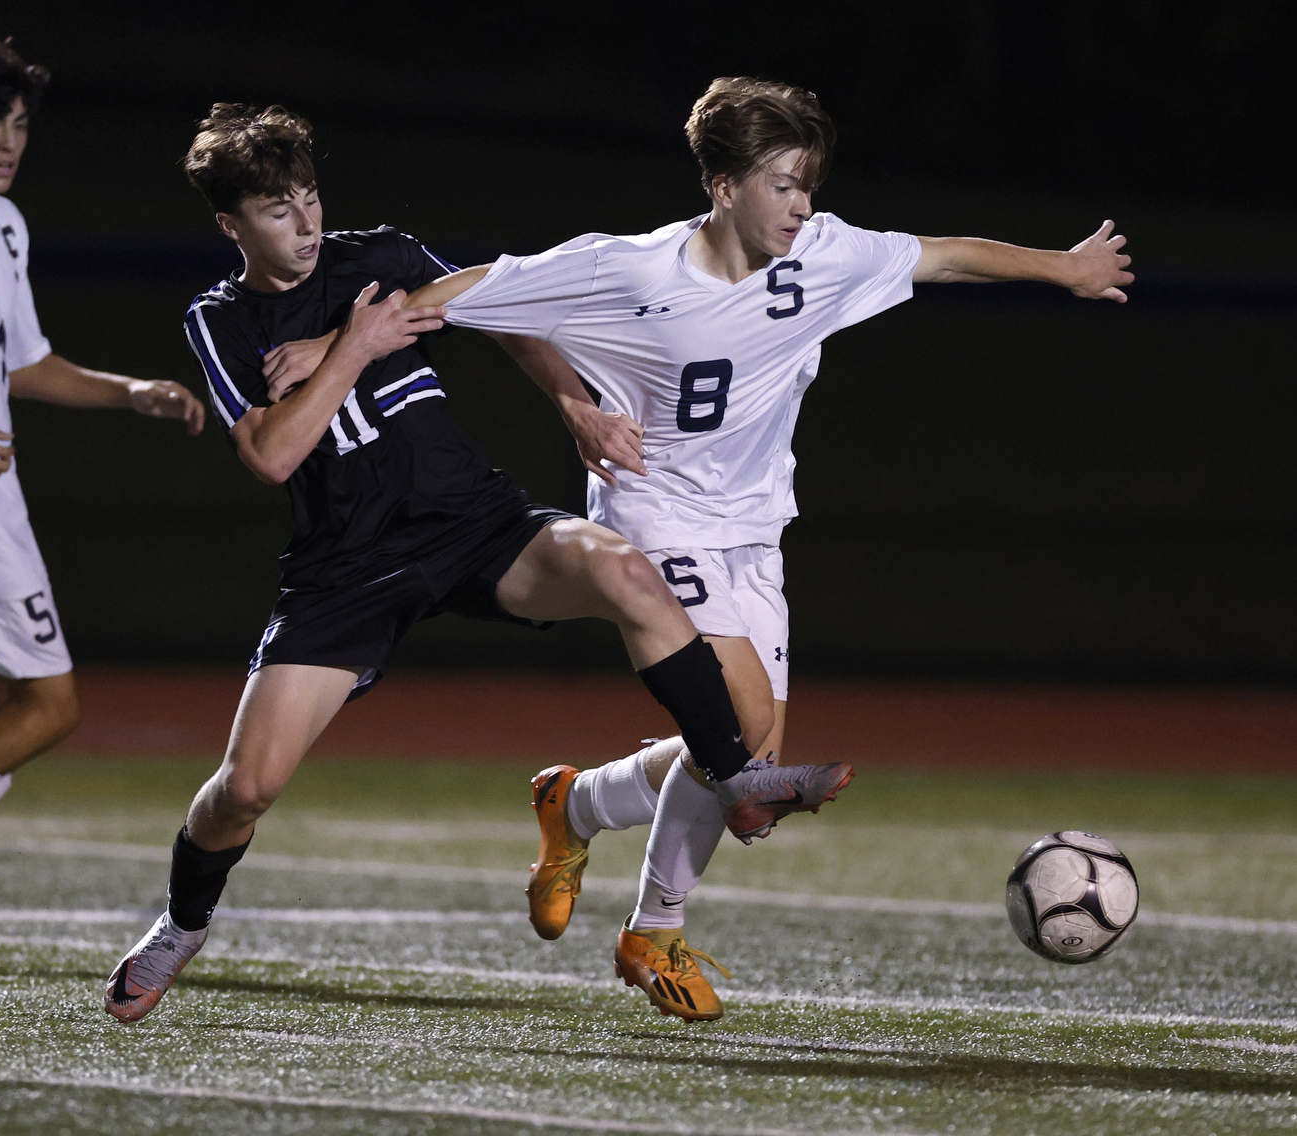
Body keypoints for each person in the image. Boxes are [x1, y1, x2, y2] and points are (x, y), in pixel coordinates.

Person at [394, 76, 1134, 1020]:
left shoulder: (820, 256)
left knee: (742, 753)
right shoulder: (629, 272)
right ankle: (653, 934)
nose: (803, 203)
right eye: (783, 183)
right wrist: (344, 354)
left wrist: (1063, 269)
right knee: (737, 740)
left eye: (808, 182)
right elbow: (472, 295)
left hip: (755, 530)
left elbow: (943, 258)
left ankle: (574, 806)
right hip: (654, 516)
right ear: (722, 185)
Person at [102, 103, 852, 1024]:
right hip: (347, 569)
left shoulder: (378, 257)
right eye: (276, 211)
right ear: (231, 226)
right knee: (246, 788)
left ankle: (735, 774)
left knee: (628, 575)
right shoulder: (219, 320)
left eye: (308, 199)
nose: (304, 225)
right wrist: (356, 347)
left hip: (474, 523)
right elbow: (271, 454)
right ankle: (182, 922)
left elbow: (510, 308)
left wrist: (574, 405)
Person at [0, 37, 205, 840]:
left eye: (21, 124)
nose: (9, 144)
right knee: (49, 702)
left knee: (32, 703)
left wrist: (131, 393)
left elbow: (23, 364)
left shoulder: (5, 228)